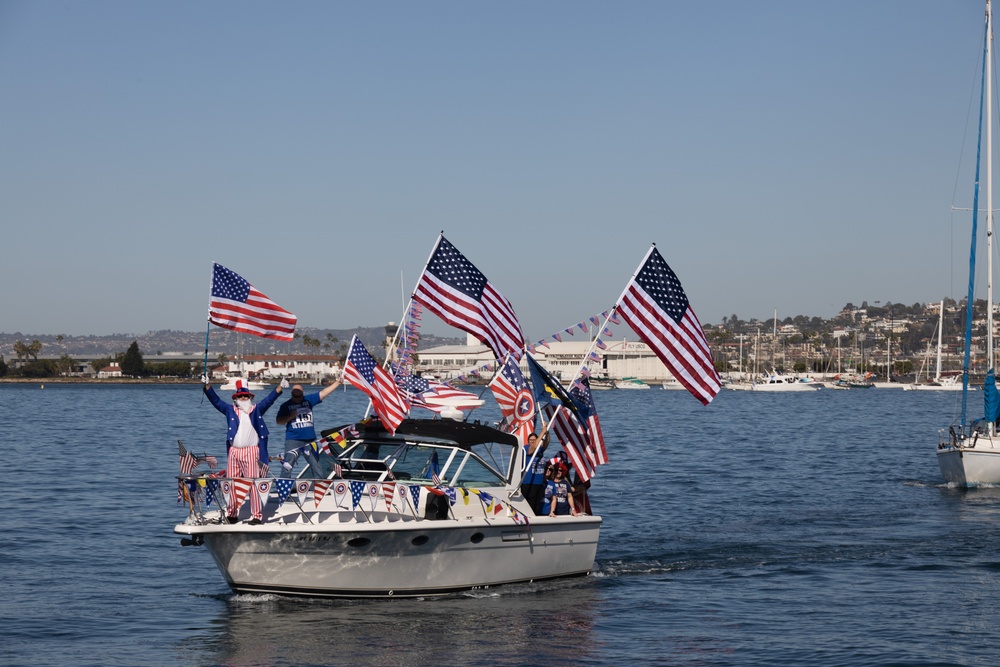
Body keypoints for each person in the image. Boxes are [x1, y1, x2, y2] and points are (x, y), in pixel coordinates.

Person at [202, 376, 286, 524]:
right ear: (236, 398)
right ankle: (232, 513)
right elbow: (216, 401)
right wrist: (207, 385)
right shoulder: (230, 410)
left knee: (253, 483)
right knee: (231, 482)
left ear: (250, 397)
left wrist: (280, 388)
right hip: (234, 452)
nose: (243, 398)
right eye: (240, 396)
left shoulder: (256, 409)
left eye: (246, 396)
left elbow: (269, 400)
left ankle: (256, 516)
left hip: (251, 452)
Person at [274, 379, 342, 478]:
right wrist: (290, 416)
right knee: (288, 465)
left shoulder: (308, 400)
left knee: (316, 465)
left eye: (299, 396)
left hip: (310, 440)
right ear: (291, 394)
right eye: (295, 396)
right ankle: (283, 488)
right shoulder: (285, 405)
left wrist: (337, 383)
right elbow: (278, 421)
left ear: (303, 394)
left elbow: (323, 393)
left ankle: (319, 487)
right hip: (293, 440)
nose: (297, 398)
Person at [520, 431, 549, 514]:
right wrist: (542, 432)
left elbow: (546, 443)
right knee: (530, 505)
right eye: (531, 440)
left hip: (539, 483)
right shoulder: (526, 448)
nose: (532, 441)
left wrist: (546, 433)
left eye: (534, 440)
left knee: (537, 505)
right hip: (529, 482)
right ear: (528, 441)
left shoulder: (539, 450)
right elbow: (533, 448)